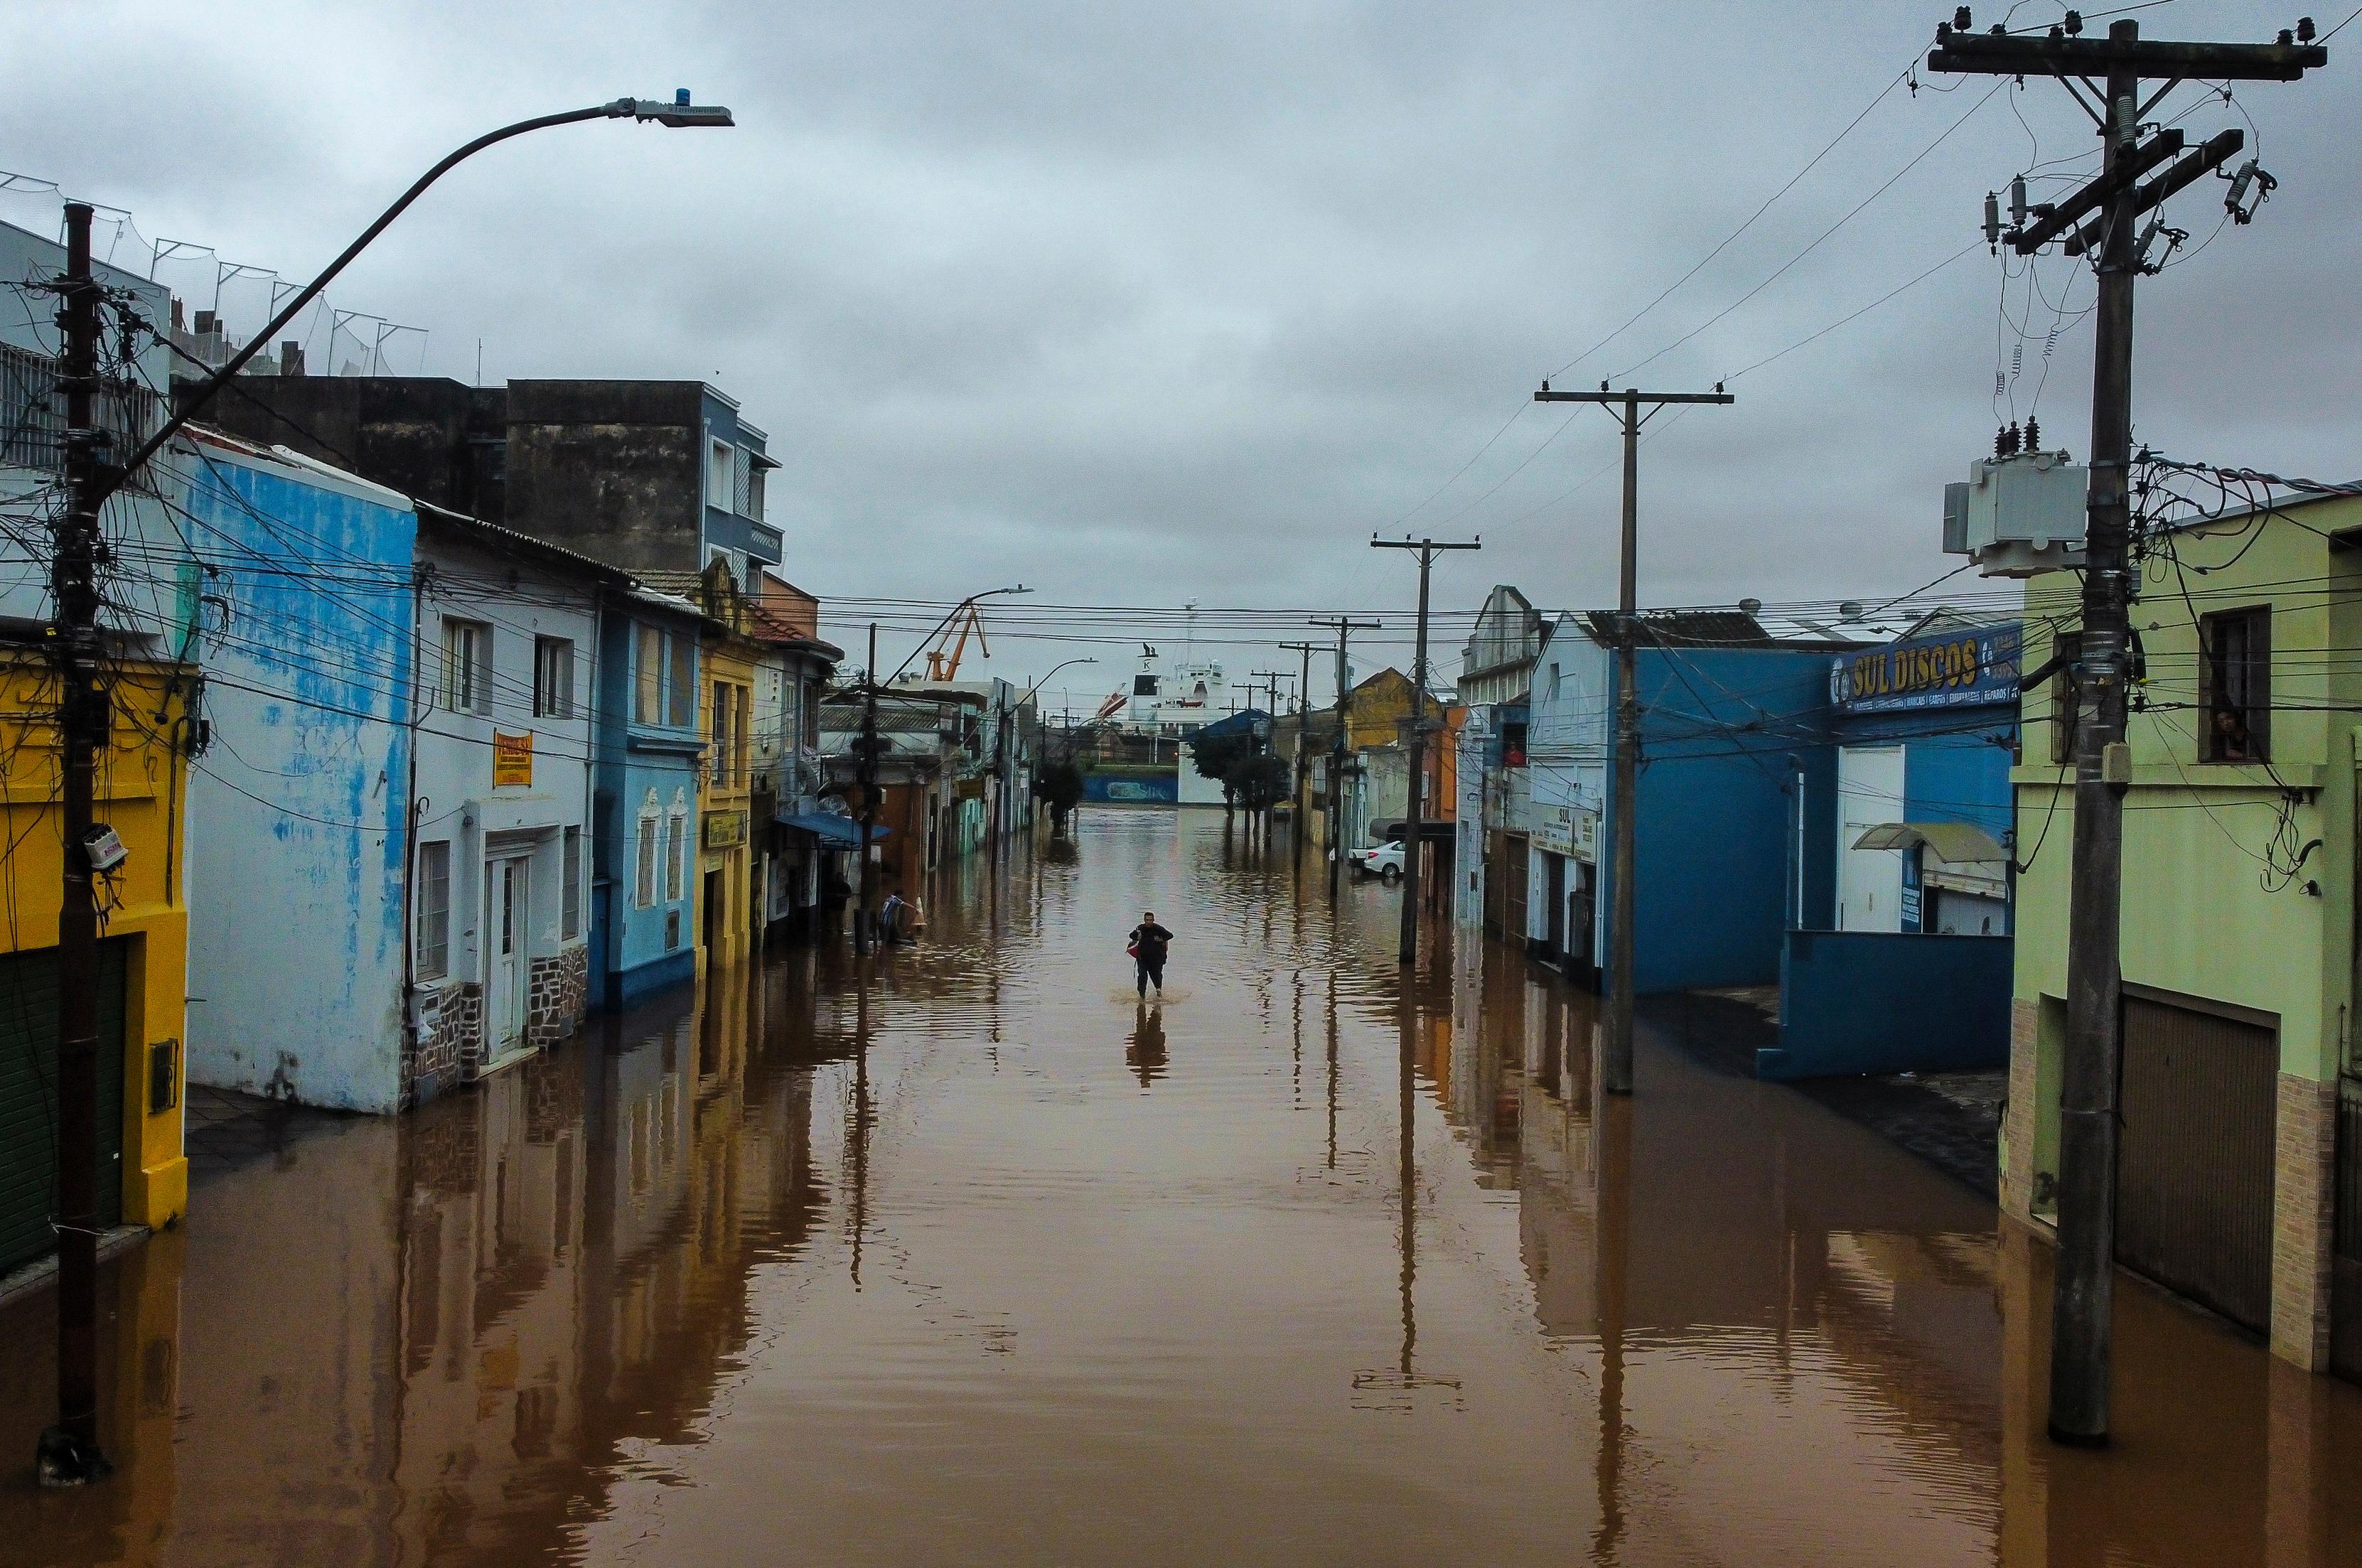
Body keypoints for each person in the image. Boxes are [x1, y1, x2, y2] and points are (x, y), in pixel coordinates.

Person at [1127, 911, 1174, 997]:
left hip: (1156, 959)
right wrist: (1138, 937)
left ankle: (1158, 992)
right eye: (1147, 920)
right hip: (1142, 958)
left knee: (1157, 976)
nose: (1149, 922)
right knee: (1142, 977)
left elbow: (1170, 935)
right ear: (1144, 920)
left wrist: (1160, 940)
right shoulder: (1140, 928)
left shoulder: (1158, 929)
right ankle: (1142, 998)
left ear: (1153, 920)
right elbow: (1131, 936)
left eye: (1150, 920)